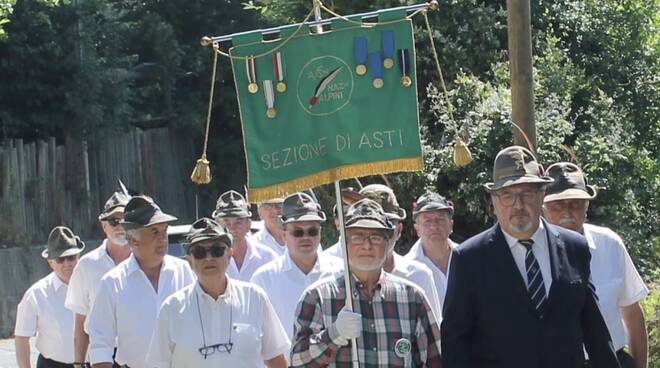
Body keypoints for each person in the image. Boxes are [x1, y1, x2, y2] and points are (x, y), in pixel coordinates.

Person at [441, 146, 620, 368]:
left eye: (527, 194)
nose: (519, 205)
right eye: (508, 195)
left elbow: (596, 332)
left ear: (542, 195)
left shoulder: (575, 248)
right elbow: (455, 343)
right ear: (494, 200)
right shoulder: (469, 259)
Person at [290, 199, 442, 367]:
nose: (367, 245)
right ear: (344, 243)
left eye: (375, 237)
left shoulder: (413, 298)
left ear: (387, 242)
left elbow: (435, 361)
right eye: (357, 237)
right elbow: (297, 362)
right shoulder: (317, 297)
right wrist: (334, 334)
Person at [542, 162, 649, 368]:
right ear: (543, 208)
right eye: (558, 204)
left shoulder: (609, 243)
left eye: (575, 203)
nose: (567, 212)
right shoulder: (530, 254)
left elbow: (633, 314)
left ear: (587, 206)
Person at [146, 218, 289, 368]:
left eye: (217, 251)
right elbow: (158, 364)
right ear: (189, 259)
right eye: (200, 252)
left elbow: (275, 359)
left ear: (229, 254)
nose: (209, 258)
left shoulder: (254, 297)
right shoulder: (172, 308)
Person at [85, 195, 195, 368]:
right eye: (154, 232)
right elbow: (100, 344)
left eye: (164, 231)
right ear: (132, 239)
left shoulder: (183, 271)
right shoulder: (112, 283)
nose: (162, 238)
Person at [332, 184, 442, 320]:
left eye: (388, 222)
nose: (379, 229)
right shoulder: (334, 281)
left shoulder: (419, 276)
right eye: (369, 223)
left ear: (399, 229)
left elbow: (434, 337)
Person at [250, 192, 342, 341]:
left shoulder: (341, 272)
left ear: (320, 233)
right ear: (284, 234)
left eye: (312, 231)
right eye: (298, 232)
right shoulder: (264, 279)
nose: (306, 237)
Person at [65, 192, 132, 368]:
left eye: (126, 220)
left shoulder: (146, 263)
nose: (120, 226)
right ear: (104, 226)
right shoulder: (86, 265)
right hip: (102, 357)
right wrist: (78, 364)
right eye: (114, 221)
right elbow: (80, 321)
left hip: (140, 356)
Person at [15, 226, 85, 368]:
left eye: (71, 257)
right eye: (60, 259)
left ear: (79, 257)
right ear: (50, 262)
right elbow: (21, 338)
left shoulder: (94, 286)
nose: (67, 264)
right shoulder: (36, 294)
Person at [405, 191, 458, 315]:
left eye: (440, 219)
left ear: (451, 225)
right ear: (417, 229)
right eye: (427, 221)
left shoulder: (469, 259)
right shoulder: (406, 271)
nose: (434, 226)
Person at [212, 190, 278, 282]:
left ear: (248, 224)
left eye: (238, 222)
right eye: (226, 222)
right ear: (217, 225)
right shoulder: (209, 259)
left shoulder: (267, 257)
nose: (232, 228)